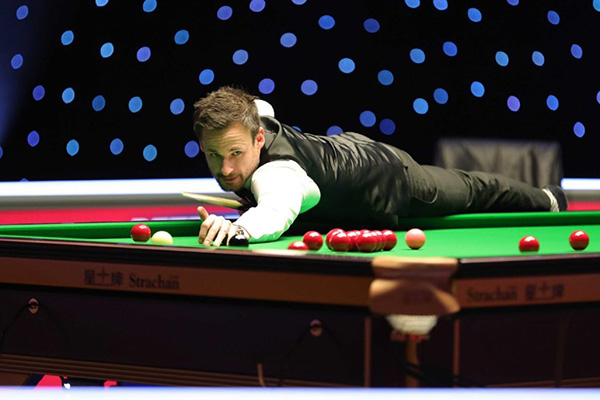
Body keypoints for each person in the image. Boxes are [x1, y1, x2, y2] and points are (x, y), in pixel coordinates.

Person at [192, 86, 567, 247]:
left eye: (236, 153)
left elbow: (275, 212)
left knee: (473, 191)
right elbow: (260, 106)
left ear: (259, 138)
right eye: (214, 155)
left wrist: (240, 229)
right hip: (345, 150)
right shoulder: (252, 116)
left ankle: (548, 199)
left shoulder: (278, 175)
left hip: (387, 175)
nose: (226, 169)